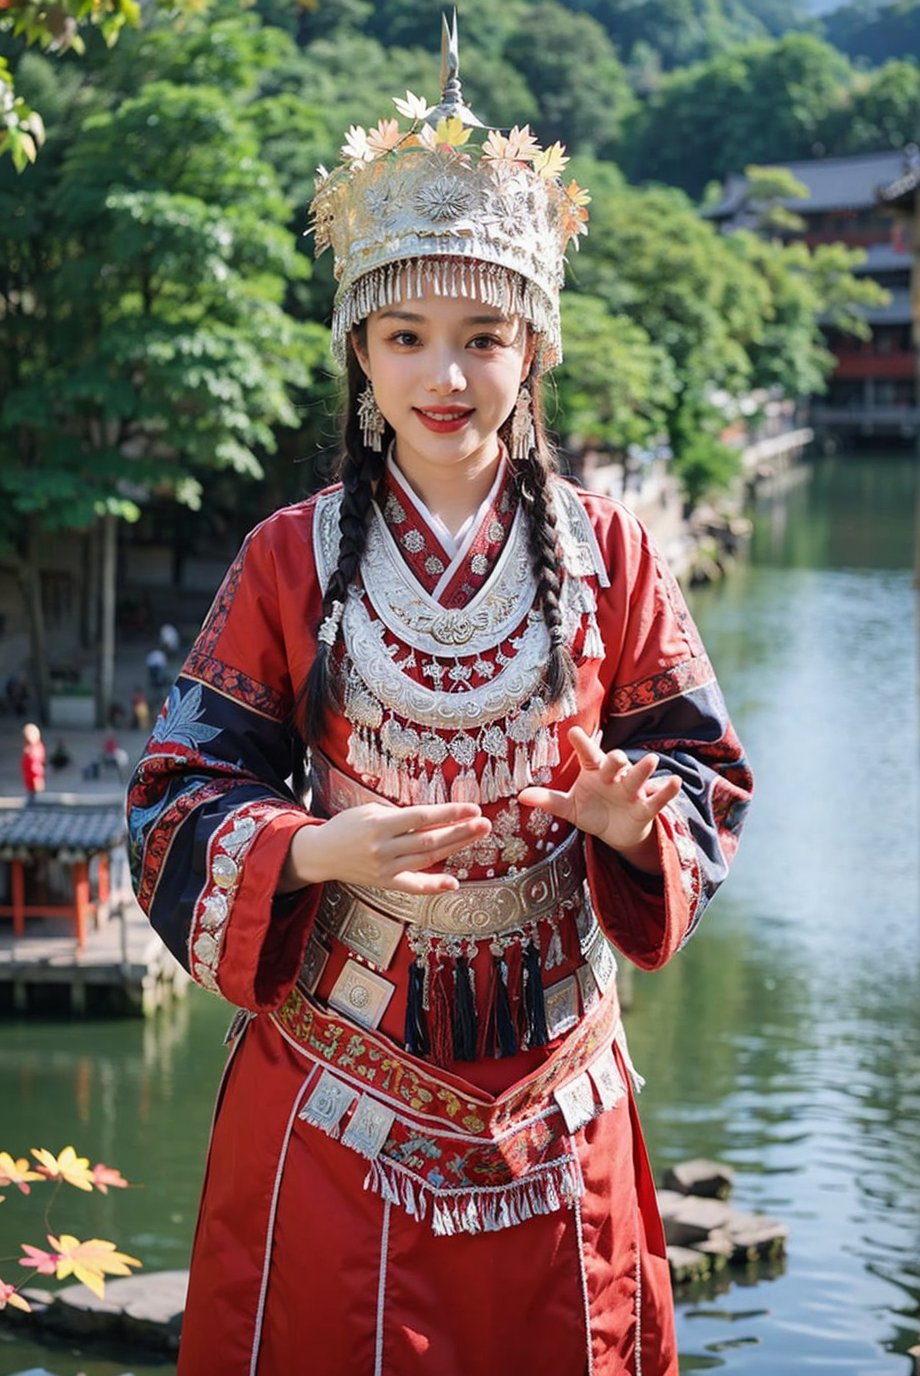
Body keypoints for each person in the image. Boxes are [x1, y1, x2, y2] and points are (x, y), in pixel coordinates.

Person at [127, 21, 752, 1376]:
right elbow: (176, 794)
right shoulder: (289, 555)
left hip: (560, 1100)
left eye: (483, 337)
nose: (446, 376)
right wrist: (310, 847)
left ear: (535, 347)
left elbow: (705, 769)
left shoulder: (617, 551)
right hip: (339, 1093)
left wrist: (640, 826)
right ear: (362, 351)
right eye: (406, 335)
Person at [21, 722, 46, 797]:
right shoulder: (33, 749)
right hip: (29, 782)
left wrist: (37, 780)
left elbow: (36, 769)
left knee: (33, 800)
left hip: (33, 782)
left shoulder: (33, 752)